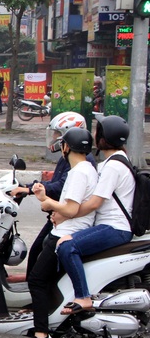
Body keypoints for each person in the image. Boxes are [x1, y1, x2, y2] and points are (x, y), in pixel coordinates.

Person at [22, 127, 98, 338]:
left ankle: (42, 336)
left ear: (66, 147)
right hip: (71, 229)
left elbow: (71, 209)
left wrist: (46, 202)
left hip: (66, 233)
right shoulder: (89, 169)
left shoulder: (78, 173)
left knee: (36, 280)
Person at [52, 116, 135, 315]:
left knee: (66, 245)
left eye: (98, 132)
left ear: (104, 138)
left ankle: (83, 296)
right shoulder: (116, 161)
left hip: (115, 228)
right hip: (111, 226)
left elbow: (94, 203)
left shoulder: (113, 166)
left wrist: (65, 215)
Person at [9, 112, 95, 272]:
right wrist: (32, 187)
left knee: (38, 255)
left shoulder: (82, 163)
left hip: (67, 221)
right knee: (37, 251)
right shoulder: (69, 158)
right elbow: (56, 183)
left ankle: (36, 290)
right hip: (60, 216)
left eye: (58, 134)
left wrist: (29, 190)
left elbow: (60, 187)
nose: (55, 138)